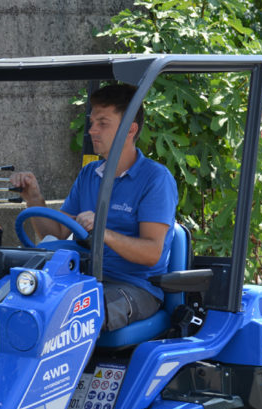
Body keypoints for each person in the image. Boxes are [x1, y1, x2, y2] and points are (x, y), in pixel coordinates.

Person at [10, 83, 178, 331]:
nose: (92, 130)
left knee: (77, 312)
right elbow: (56, 233)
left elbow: (152, 252)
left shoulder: (155, 179)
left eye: (103, 123)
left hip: (134, 287)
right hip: (86, 279)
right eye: (92, 123)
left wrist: (102, 231)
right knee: (15, 297)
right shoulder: (90, 174)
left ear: (130, 129)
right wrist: (34, 198)